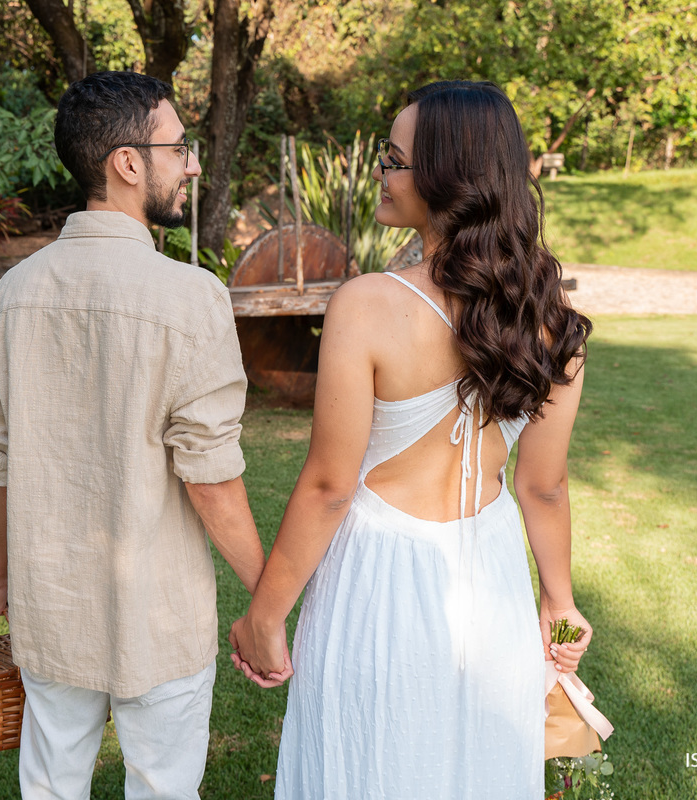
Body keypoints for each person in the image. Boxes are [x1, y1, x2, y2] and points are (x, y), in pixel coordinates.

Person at [229, 80, 594, 799]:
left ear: (447, 178)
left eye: (394, 161)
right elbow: (543, 487)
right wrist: (560, 603)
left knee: (367, 763)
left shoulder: (366, 304)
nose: (382, 174)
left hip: (377, 579)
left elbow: (330, 488)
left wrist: (264, 616)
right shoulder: (550, 319)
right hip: (491, 579)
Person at [0, 71, 269, 800]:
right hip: (158, 614)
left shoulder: (13, 294)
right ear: (128, 163)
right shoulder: (191, 296)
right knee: (164, 789)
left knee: (49, 788)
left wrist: (0, 575)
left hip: (51, 604)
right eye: (179, 147)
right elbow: (210, 476)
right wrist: (269, 594)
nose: (191, 165)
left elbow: (4, 462)